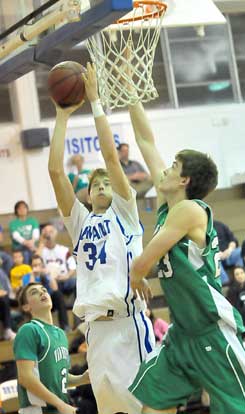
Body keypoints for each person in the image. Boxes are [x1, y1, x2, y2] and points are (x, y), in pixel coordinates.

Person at [126, 101, 245, 414]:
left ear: (184, 181)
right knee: (152, 408)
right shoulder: (171, 204)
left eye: (173, 167)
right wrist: (130, 91)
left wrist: (137, 275)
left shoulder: (189, 210)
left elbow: (143, 262)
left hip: (211, 329)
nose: (164, 169)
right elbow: (146, 142)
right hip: (181, 334)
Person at [48, 62, 155, 414]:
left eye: (108, 182)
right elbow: (54, 172)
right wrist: (62, 116)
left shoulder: (125, 213)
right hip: (95, 331)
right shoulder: (79, 223)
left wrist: (94, 101)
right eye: (96, 185)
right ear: (88, 194)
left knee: (147, 409)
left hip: (128, 323)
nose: (104, 186)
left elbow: (110, 157)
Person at [14, 282, 90, 414]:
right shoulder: (29, 330)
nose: (42, 292)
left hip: (59, 408)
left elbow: (60, 378)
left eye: (44, 290)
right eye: (34, 292)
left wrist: (82, 378)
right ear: (26, 307)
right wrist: (59, 404)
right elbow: (25, 377)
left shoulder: (60, 333)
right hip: (38, 410)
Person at [31, 254, 70, 331]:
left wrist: (49, 275)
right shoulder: (27, 276)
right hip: (37, 303)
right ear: (31, 266)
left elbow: (55, 288)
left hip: (50, 301)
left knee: (58, 295)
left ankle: (65, 326)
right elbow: (31, 290)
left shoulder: (46, 273)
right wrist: (33, 275)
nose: (37, 267)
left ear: (42, 265)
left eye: (39, 265)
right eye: (35, 265)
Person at [37, 224, 76, 296]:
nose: (48, 234)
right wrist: (41, 243)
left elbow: (73, 266)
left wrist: (67, 276)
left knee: (76, 282)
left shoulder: (64, 250)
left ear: (55, 234)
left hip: (64, 279)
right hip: (49, 281)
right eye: (46, 232)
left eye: (51, 232)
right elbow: (35, 263)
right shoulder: (40, 250)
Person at [214, 219, 244, 285]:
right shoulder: (201, 229)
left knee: (241, 251)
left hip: (228, 254)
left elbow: (233, 240)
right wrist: (216, 253)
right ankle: (226, 284)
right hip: (214, 256)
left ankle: (241, 277)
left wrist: (229, 250)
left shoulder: (220, 225)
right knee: (214, 257)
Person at [227, 266, 245, 331]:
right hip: (241, 318)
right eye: (237, 274)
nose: (240, 276)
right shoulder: (232, 291)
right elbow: (234, 308)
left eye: (242, 273)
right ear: (234, 277)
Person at [0, 268, 16, 340]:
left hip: (5, 297)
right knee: (4, 299)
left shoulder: (1, 271)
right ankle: (8, 329)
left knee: (21, 300)